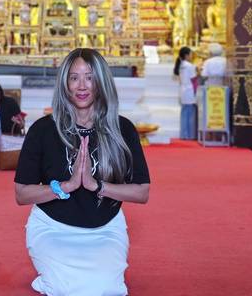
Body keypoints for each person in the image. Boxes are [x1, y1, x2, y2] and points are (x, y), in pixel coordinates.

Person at [14, 48, 150, 296]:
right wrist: (65, 186)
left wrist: (95, 185)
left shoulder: (122, 129)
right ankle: (51, 277)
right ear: (65, 83)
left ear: (101, 82)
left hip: (105, 230)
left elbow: (142, 192)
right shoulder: (43, 129)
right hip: (53, 228)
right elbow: (22, 194)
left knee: (109, 290)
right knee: (66, 290)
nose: (82, 85)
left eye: (89, 77)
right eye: (74, 77)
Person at [173, 46, 197, 140]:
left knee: (184, 113)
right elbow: (194, 78)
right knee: (190, 113)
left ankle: (184, 134)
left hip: (183, 90)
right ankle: (190, 135)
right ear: (186, 55)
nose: (192, 56)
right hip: (189, 90)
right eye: (191, 54)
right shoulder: (189, 65)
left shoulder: (181, 65)